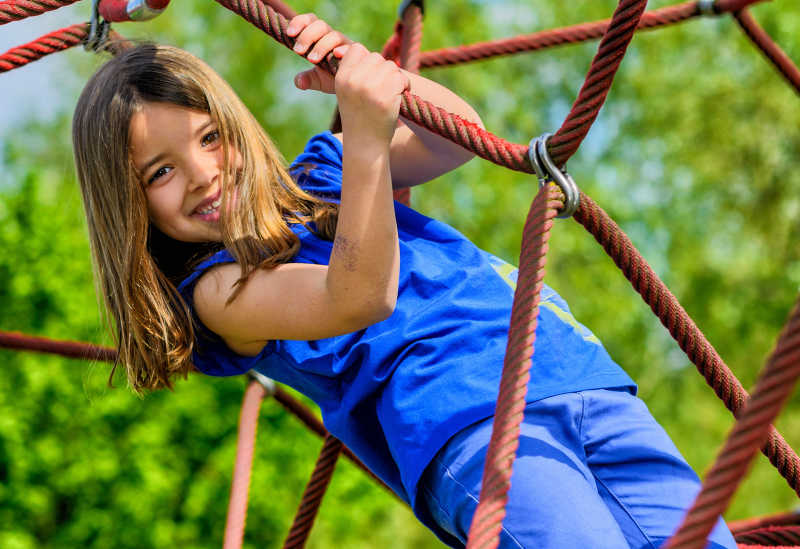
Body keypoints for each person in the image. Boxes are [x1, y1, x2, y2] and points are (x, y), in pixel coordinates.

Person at [71, 13, 737, 549]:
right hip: (470, 429)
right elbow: (359, 294)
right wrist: (364, 139)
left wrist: (375, 82)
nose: (201, 174)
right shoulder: (220, 292)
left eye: (210, 137)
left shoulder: (323, 177)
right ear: (129, 208)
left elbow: (458, 135)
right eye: (159, 172)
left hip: (578, 375)